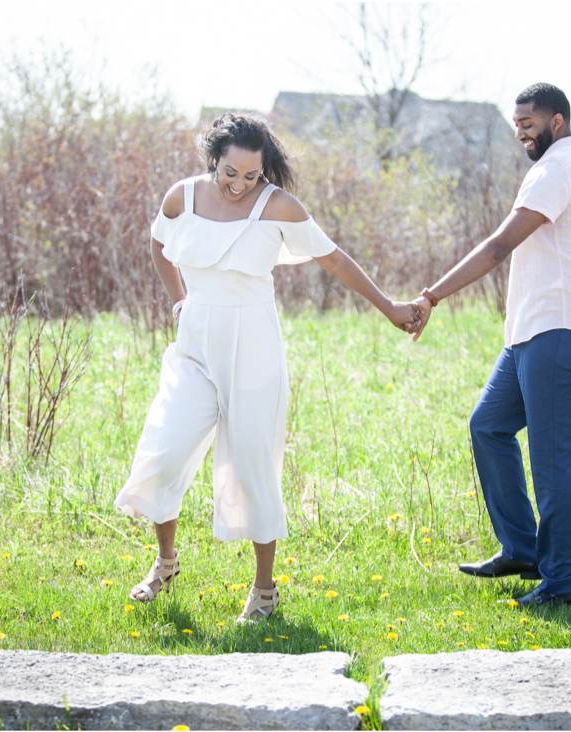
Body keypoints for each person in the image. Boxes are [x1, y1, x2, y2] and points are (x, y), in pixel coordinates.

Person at [116, 113, 424, 623]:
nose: (239, 186)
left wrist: (389, 306)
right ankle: (165, 563)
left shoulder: (277, 206)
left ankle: (264, 592)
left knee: (254, 466)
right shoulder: (183, 197)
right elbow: (158, 245)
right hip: (195, 342)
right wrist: (178, 302)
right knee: (164, 450)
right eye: (229, 173)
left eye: (251, 176)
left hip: (254, 346)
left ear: (265, 172)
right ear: (212, 161)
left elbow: (334, 259)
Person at [407, 83, 571, 608]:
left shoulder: (558, 169)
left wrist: (433, 295)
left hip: (555, 331)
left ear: (558, 121)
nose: (521, 130)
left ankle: (562, 584)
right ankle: (523, 549)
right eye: (517, 123)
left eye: (529, 122)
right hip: (543, 333)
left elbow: (500, 244)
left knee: (553, 462)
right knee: (489, 425)